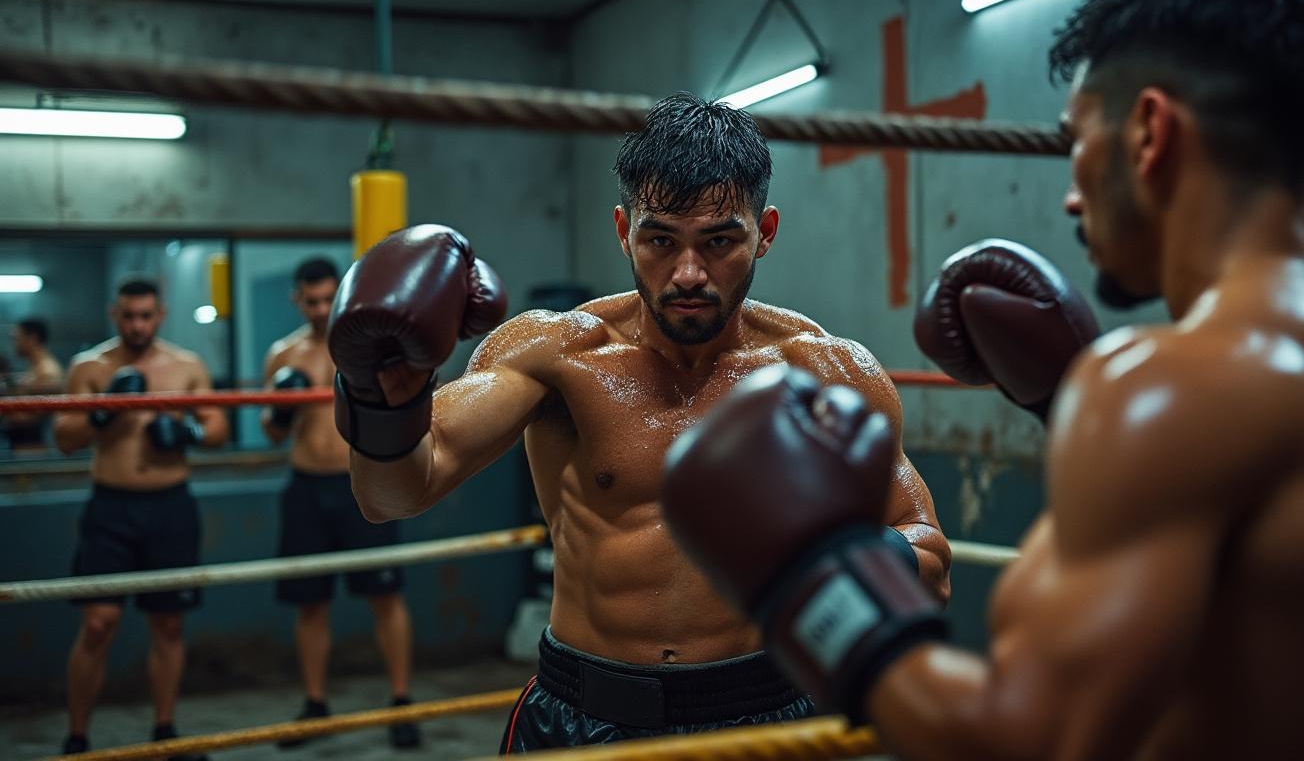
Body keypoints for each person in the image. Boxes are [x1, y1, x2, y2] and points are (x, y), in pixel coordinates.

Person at [659, 0, 1304, 759]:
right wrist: (1067, 407)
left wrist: (816, 581)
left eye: (1075, 144)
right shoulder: (1281, 376)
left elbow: (1029, 742)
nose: (1072, 195)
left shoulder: (1167, 389)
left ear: (1151, 132)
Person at [325, 92, 951, 752]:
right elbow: (391, 494)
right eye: (660, 239)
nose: (688, 273)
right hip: (581, 716)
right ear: (623, 230)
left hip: (766, 712)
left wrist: (822, 558)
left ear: (764, 232)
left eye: (718, 242)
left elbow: (931, 563)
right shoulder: (554, 353)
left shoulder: (829, 371)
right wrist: (383, 397)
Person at [53, 278, 228, 758]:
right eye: (129, 316)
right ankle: (77, 737)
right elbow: (65, 438)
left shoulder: (186, 366)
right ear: (115, 314)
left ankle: (165, 731)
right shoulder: (90, 367)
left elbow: (218, 428)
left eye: (145, 316)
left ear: (161, 314)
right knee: (97, 624)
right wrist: (102, 415)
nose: (137, 325)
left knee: (169, 625)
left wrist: (185, 430)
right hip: (111, 507)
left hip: (170, 505)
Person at [260, 257, 420, 749]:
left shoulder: (366, 348)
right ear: (297, 299)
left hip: (365, 486)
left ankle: (401, 703)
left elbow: (404, 403)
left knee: (385, 596)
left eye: (329, 299)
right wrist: (282, 414)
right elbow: (269, 433)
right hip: (307, 488)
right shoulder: (282, 355)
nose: (320, 309)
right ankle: (314, 705)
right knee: (311, 604)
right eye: (311, 301)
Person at [2, 317, 65, 453]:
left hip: (34, 451)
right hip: (24, 448)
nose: (14, 343)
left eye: (17, 338)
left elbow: (25, 419)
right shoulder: (35, 369)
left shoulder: (47, 371)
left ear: (32, 338)